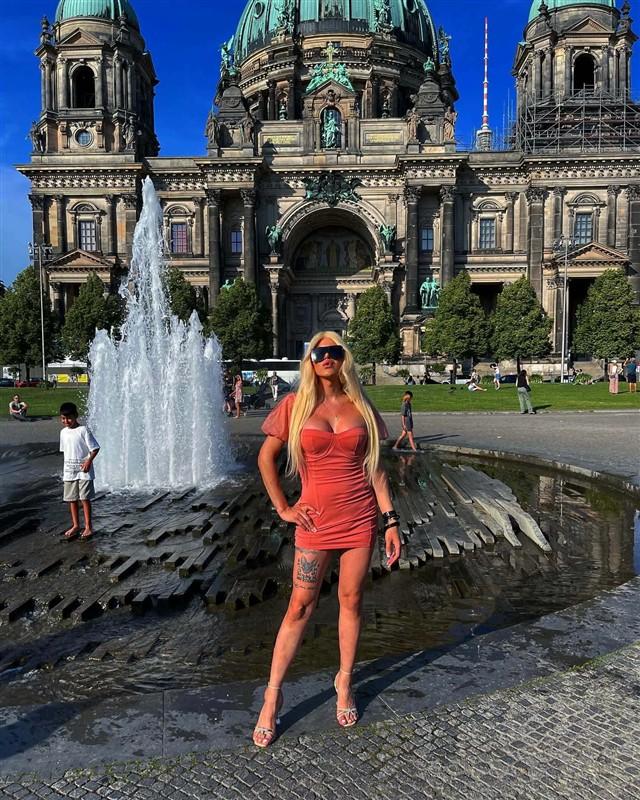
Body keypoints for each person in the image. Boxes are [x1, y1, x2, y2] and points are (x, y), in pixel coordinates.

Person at [252, 331, 400, 748]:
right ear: (310, 360)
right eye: (319, 352)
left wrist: (390, 521)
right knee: (300, 605)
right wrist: (283, 507)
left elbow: (376, 469)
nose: (327, 357)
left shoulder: (361, 405)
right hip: (315, 523)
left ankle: (345, 681)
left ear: (343, 358)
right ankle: (273, 695)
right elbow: (265, 457)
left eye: (334, 351)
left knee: (351, 600)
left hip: (359, 519)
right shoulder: (295, 405)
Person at [59, 402, 100, 540]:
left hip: (84, 471)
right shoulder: (63, 432)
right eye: (63, 418)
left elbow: (95, 448)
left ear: (75, 416)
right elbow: (66, 451)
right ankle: (76, 525)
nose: (66, 421)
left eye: (69, 418)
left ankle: (88, 526)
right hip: (69, 471)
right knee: (71, 499)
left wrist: (88, 461)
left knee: (84, 498)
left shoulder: (83, 430)